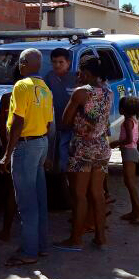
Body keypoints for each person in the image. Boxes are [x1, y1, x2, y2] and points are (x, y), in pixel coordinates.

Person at [0, 48, 53, 267]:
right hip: (41, 143)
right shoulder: (45, 89)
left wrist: (7, 154)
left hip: (26, 146)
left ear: (23, 63)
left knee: (26, 202)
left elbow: (18, 122)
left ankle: (29, 251)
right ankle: (41, 246)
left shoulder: (22, 86)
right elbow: (49, 124)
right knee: (39, 198)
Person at [55, 56, 112, 251]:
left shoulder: (81, 93)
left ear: (86, 73)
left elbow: (65, 121)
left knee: (79, 195)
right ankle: (100, 238)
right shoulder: (108, 92)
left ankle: (76, 239)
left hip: (82, 148)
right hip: (102, 147)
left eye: (80, 73)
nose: (78, 76)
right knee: (98, 194)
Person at [0, 66, 21, 242]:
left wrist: (6, 152)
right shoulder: (41, 93)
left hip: (16, 147)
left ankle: (6, 231)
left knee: (11, 190)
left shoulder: (8, 98)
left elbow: (4, 128)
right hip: (35, 145)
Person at [110, 96, 139, 225]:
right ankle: (134, 211)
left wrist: (116, 143)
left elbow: (129, 140)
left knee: (130, 183)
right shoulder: (134, 120)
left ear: (124, 110)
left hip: (129, 152)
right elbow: (136, 140)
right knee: (129, 182)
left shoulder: (127, 122)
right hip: (132, 151)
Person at [45, 48, 76, 203]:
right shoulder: (48, 79)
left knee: (72, 163)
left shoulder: (75, 79)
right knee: (57, 163)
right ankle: (64, 195)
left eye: (61, 62)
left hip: (74, 130)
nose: (57, 65)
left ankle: (73, 195)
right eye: (54, 62)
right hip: (54, 129)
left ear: (68, 63)